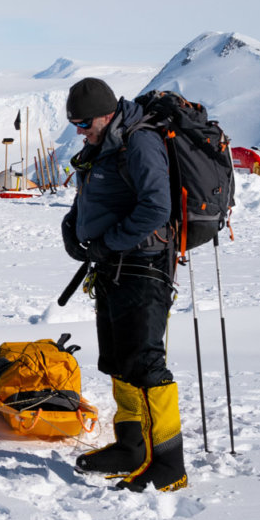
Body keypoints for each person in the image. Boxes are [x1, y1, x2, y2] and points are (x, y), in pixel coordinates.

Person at [59, 76, 186, 491]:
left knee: (146, 363)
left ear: (107, 113)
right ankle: (130, 446)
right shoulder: (104, 142)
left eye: (84, 123)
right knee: (118, 359)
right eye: (75, 124)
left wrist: (108, 243)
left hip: (143, 265)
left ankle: (168, 463)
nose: (80, 131)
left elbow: (155, 207)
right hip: (113, 266)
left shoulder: (140, 142)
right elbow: (96, 192)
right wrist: (73, 227)